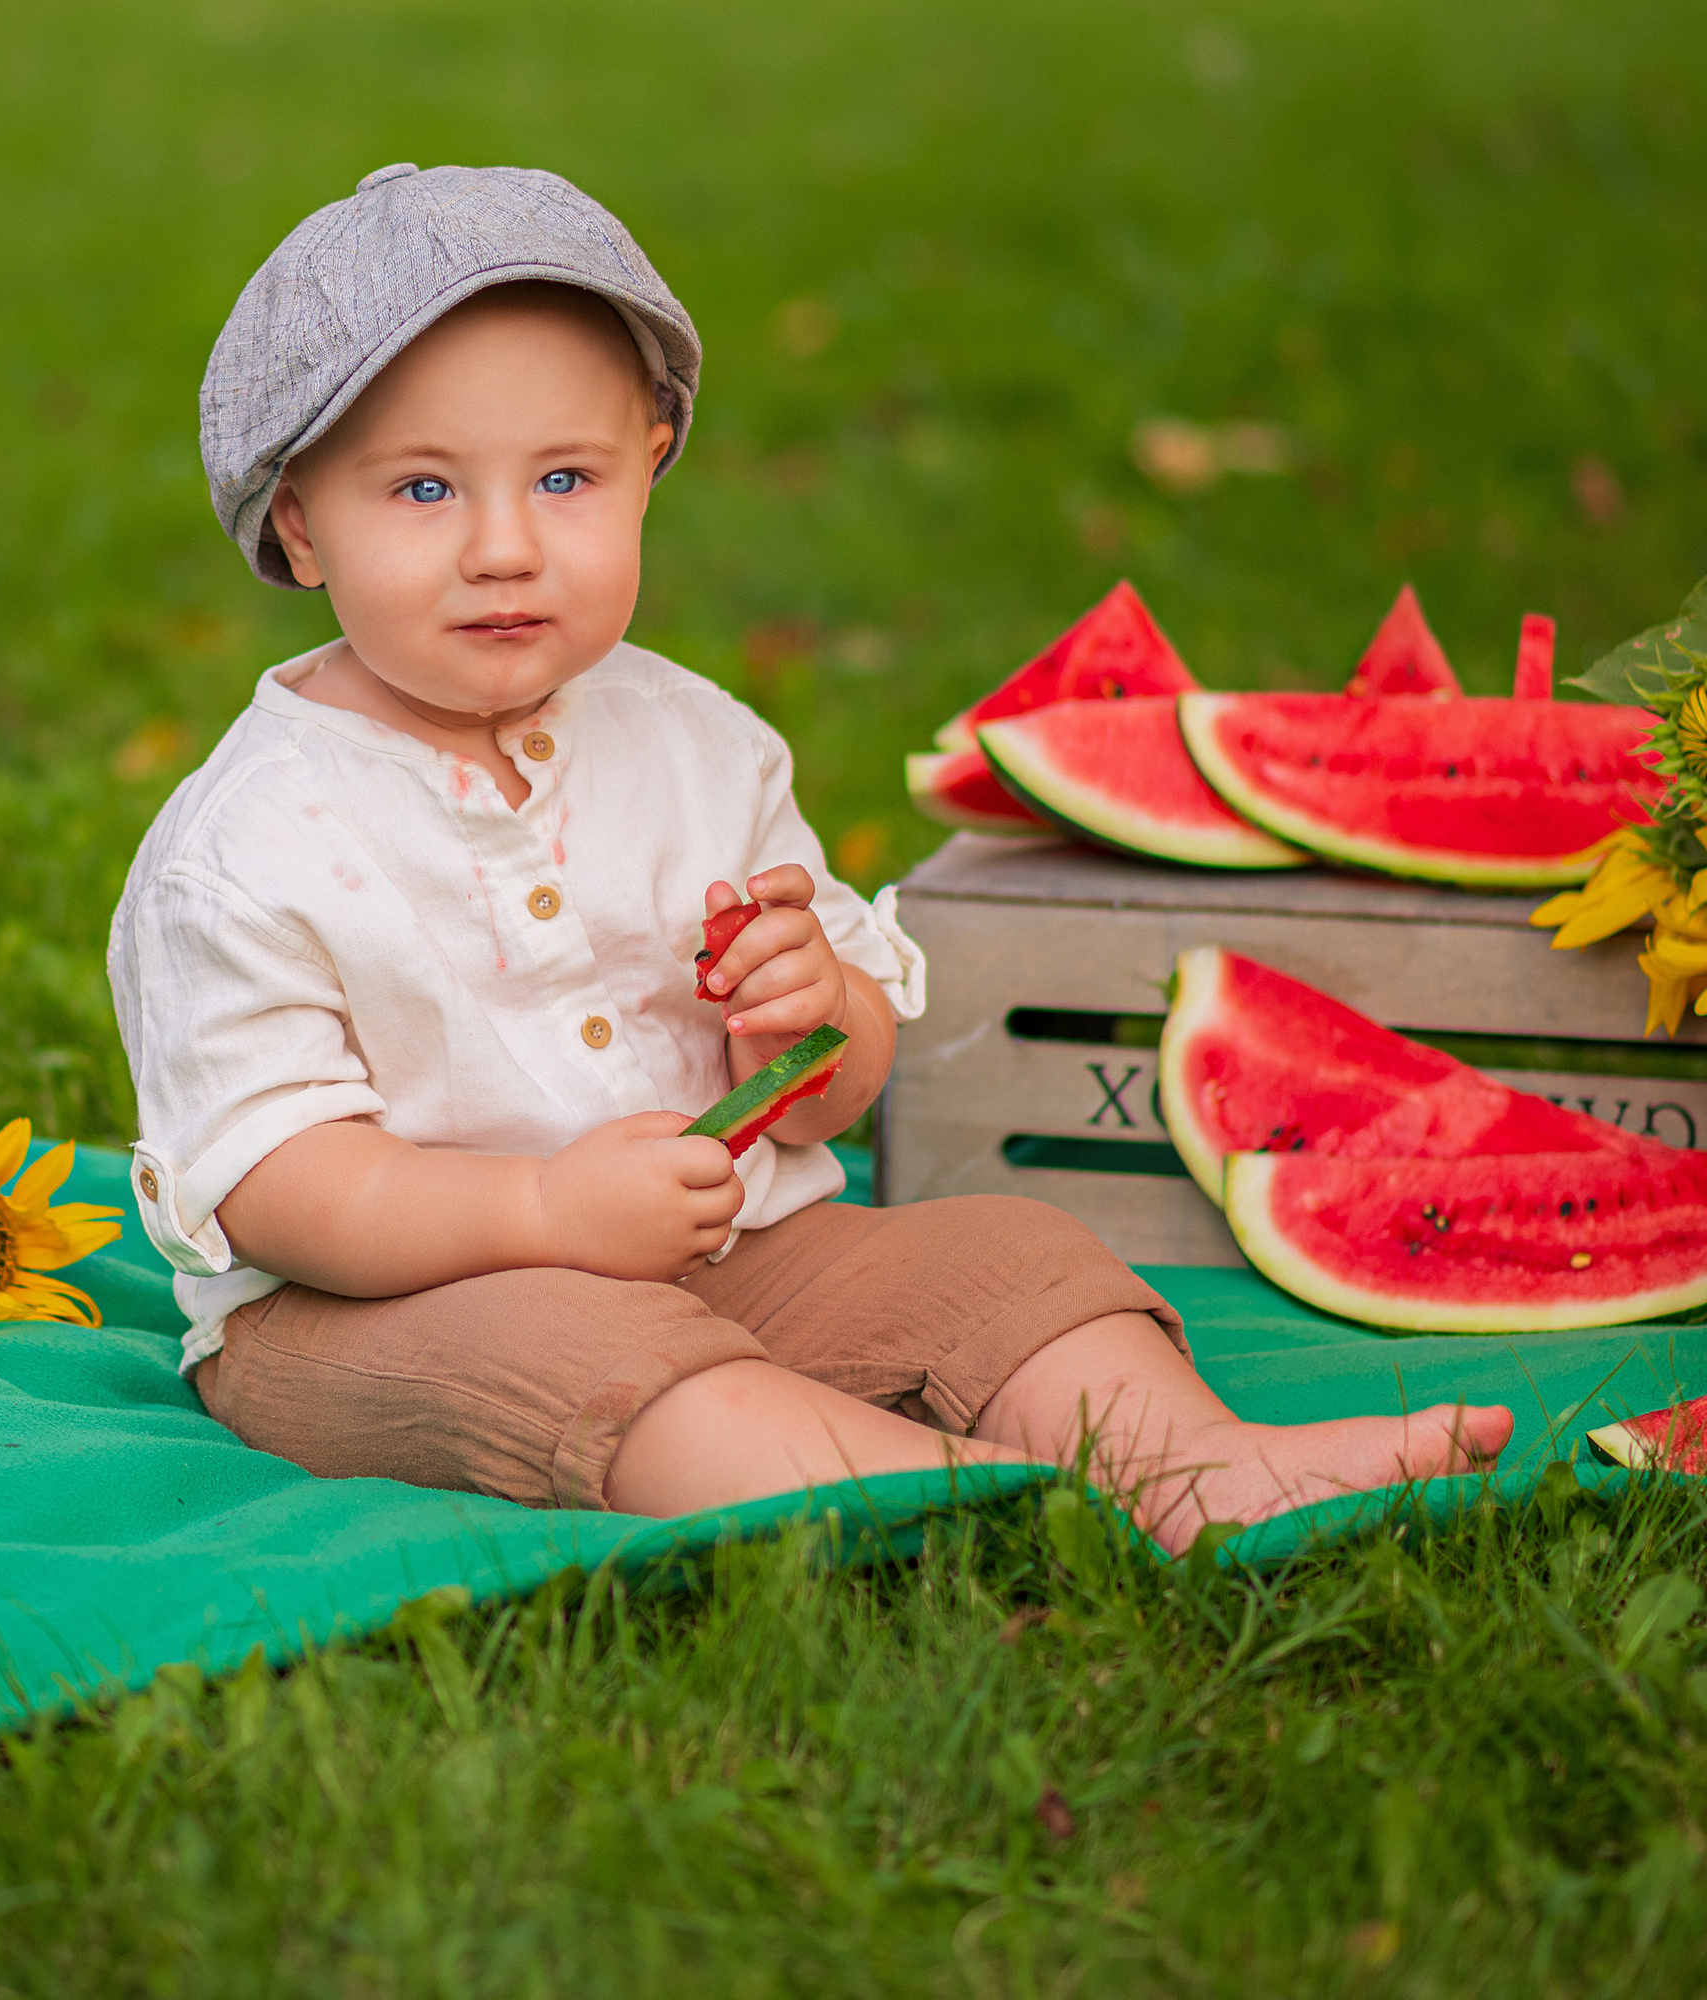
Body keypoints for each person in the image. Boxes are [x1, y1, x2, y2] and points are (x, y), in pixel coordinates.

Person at [108, 163, 1510, 1545]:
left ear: (648, 466)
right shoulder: (248, 846)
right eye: (422, 490)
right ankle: (982, 1505)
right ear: (299, 521)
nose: (505, 547)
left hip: (743, 1254)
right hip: (379, 1320)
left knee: (1000, 1255)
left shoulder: (699, 744)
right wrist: (541, 1207)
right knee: (601, 1373)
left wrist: (815, 1014)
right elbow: (276, 1180)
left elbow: (833, 1097)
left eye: (563, 478)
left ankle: (1196, 1463)